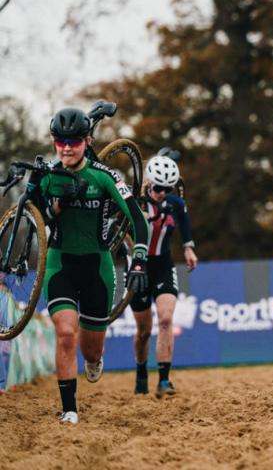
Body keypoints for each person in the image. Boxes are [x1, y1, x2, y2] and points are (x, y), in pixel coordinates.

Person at [39, 107, 149, 425]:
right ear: (54, 142)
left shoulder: (105, 177)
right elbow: (39, 218)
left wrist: (140, 258)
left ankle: (94, 360)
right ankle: (69, 408)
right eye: (61, 141)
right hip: (60, 263)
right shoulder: (48, 176)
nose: (67, 147)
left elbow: (138, 221)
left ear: (87, 141)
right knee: (65, 333)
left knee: (90, 351)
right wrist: (55, 204)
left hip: (97, 269)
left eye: (74, 141)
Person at [132, 154, 198, 397]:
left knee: (166, 319)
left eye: (167, 188)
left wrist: (189, 247)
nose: (161, 192)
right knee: (143, 331)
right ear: (149, 182)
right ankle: (141, 371)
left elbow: (185, 223)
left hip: (164, 265)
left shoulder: (175, 203)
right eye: (158, 187)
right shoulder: (135, 202)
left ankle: (164, 379)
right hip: (138, 268)